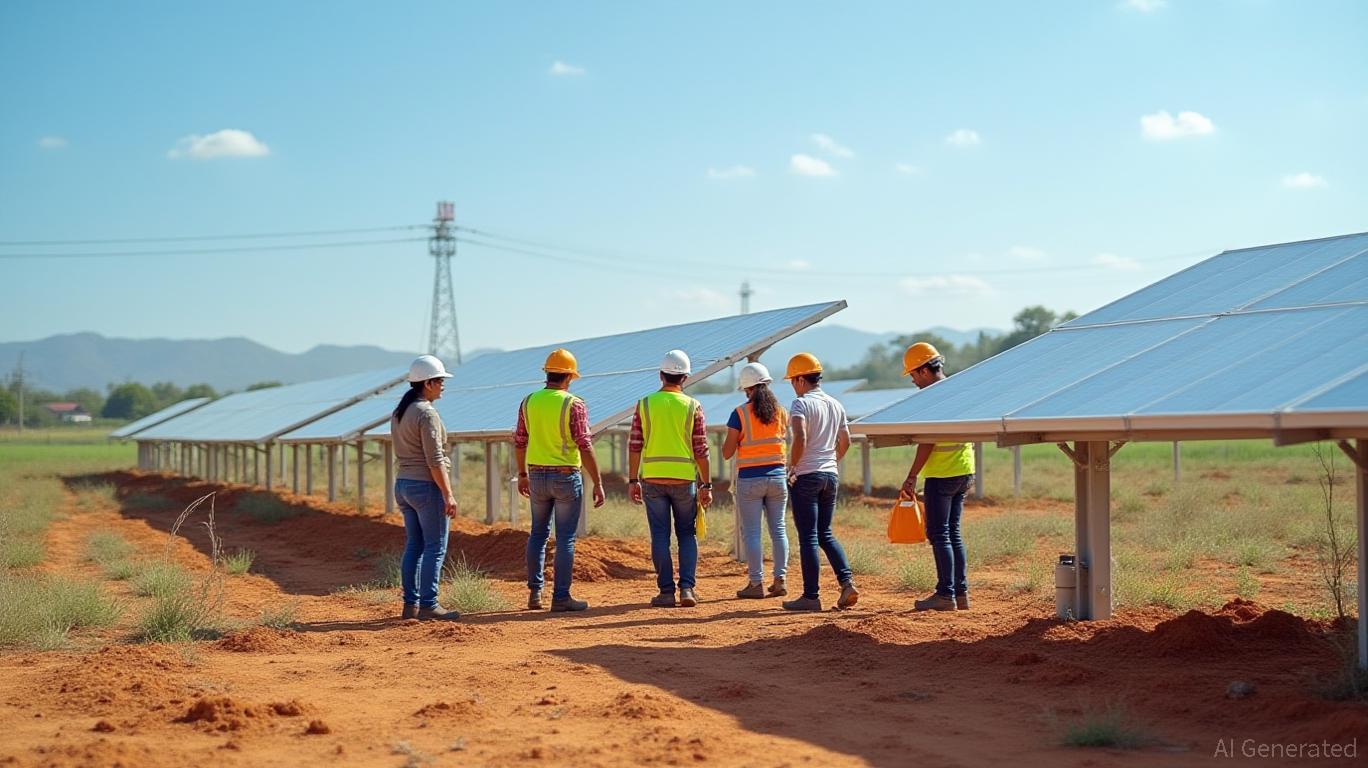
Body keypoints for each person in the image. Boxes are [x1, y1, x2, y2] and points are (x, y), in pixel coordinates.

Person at [514, 348, 605, 612]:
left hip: (536, 476)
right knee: (565, 538)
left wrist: (522, 474)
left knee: (538, 534)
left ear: (547, 374)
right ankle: (561, 597)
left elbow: (520, 441)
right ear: (568, 376)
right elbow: (584, 445)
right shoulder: (573, 404)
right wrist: (598, 482)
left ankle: (535, 593)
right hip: (565, 476)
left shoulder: (529, 401)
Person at [628, 349, 712, 608]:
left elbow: (634, 445)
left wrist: (633, 480)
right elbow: (701, 450)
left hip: (653, 479)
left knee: (660, 536)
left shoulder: (644, 404)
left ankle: (666, 592)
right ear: (685, 378)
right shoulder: (693, 406)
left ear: (661, 375)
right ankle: (687, 589)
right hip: (684, 480)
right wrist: (706, 484)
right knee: (686, 534)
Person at [899, 342, 976, 612]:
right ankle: (960, 594)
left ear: (924, 371)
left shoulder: (933, 396)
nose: (912, 381)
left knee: (939, 533)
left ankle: (945, 594)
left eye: (913, 374)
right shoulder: (958, 390)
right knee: (952, 533)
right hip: (964, 470)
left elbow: (927, 441)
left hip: (942, 474)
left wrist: (911, 476)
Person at [780, 353, 859, 612]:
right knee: (825, 534)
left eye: (793, 380)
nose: (793, 386)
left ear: (801, 379)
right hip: (830, 475)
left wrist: (793, 467)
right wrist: (832, 461)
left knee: (809, 538)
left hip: (807, 476)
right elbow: (846, 441)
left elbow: (800, 437)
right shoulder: (836, 405)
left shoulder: (800, 404)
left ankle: (811, 597)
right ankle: (847, 583)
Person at [391, 354, 459, 621]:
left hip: (404, 485)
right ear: (428, 383)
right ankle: (429, 604)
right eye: (440, 381)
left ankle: (411, 605)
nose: (443, 385)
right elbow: (435, 459)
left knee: (414, 545)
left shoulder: (401, 411)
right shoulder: (426, 413)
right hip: (425, 486)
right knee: (435, 547)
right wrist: (448, 494)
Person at [721, 362, 790, 599]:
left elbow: (727, 452)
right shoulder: (781, 412)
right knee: (778, 529)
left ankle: (756, 583)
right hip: (778, 477)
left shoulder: (739, 414)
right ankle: (780, 579)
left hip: (750, 480)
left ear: (747, 389)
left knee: (752, 533)